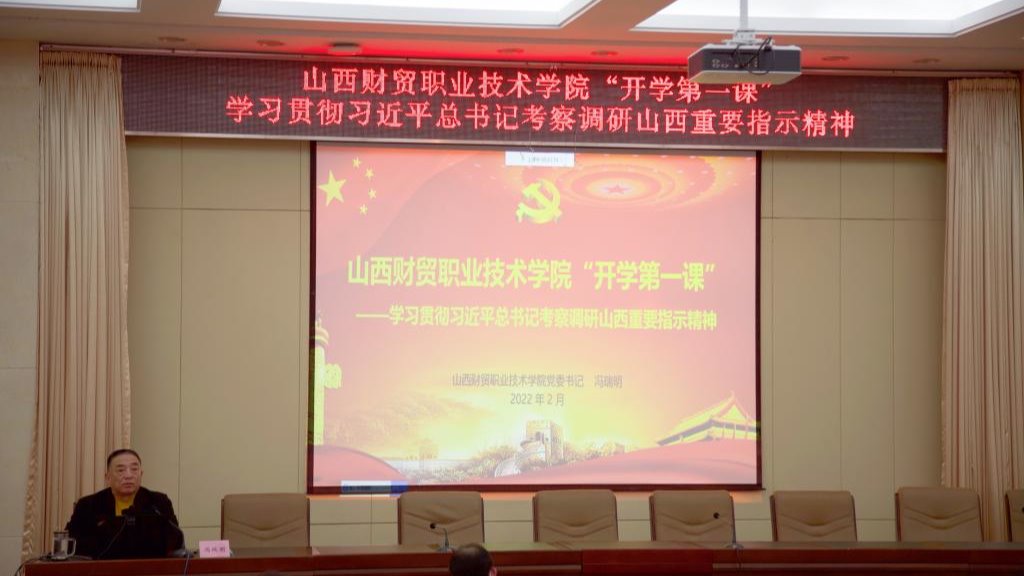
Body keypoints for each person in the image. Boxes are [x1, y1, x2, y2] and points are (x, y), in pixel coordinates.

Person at [66, 448, 184, 559]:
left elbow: (175, 541)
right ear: (108, 477)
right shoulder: (88, 505)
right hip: (102, 569)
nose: (128, 475)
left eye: (134, 469)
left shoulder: (158, 502)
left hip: (149, 568)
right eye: (121, 470)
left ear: (141, 474)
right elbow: (71, 544)